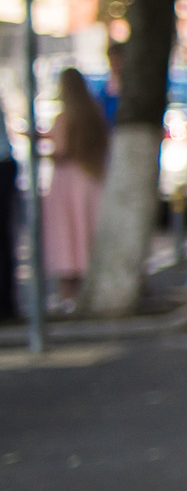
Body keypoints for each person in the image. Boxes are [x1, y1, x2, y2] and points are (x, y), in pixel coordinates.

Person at [43, 66, 108, 311]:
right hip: (90, 178)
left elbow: (61, 151)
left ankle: (68, 297)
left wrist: (44, 152)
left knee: (68, 235)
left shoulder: (64, 116)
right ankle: (88, 291)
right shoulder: (94, 111)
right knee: (86, 231)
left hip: (68, 180)